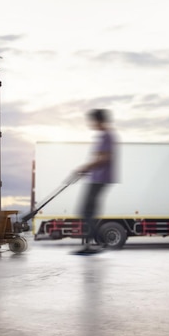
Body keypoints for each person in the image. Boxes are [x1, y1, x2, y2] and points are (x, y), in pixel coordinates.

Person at [74, 108, 116, 253]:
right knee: (88, 212)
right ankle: (95, 244)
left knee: (86, 212)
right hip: (97, 178)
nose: (90, 124)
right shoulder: (105, 136)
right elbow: (100, 158)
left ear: (98, 121)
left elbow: (104, 159)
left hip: (100, 178)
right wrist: (87, 168)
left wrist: (85, 167)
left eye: (92, 121)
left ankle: (96, 244)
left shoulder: (107, 136)